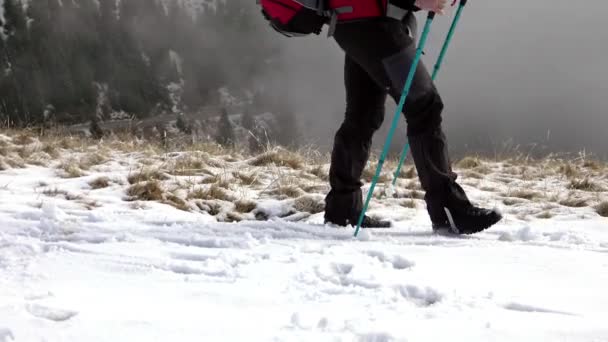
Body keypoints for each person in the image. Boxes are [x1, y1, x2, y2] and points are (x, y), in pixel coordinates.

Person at [324, 0, 503, 234]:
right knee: (424, 107)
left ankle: (343, 209)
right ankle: (450, 211)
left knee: (363, 115)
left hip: (352, 21)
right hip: (376, 26)